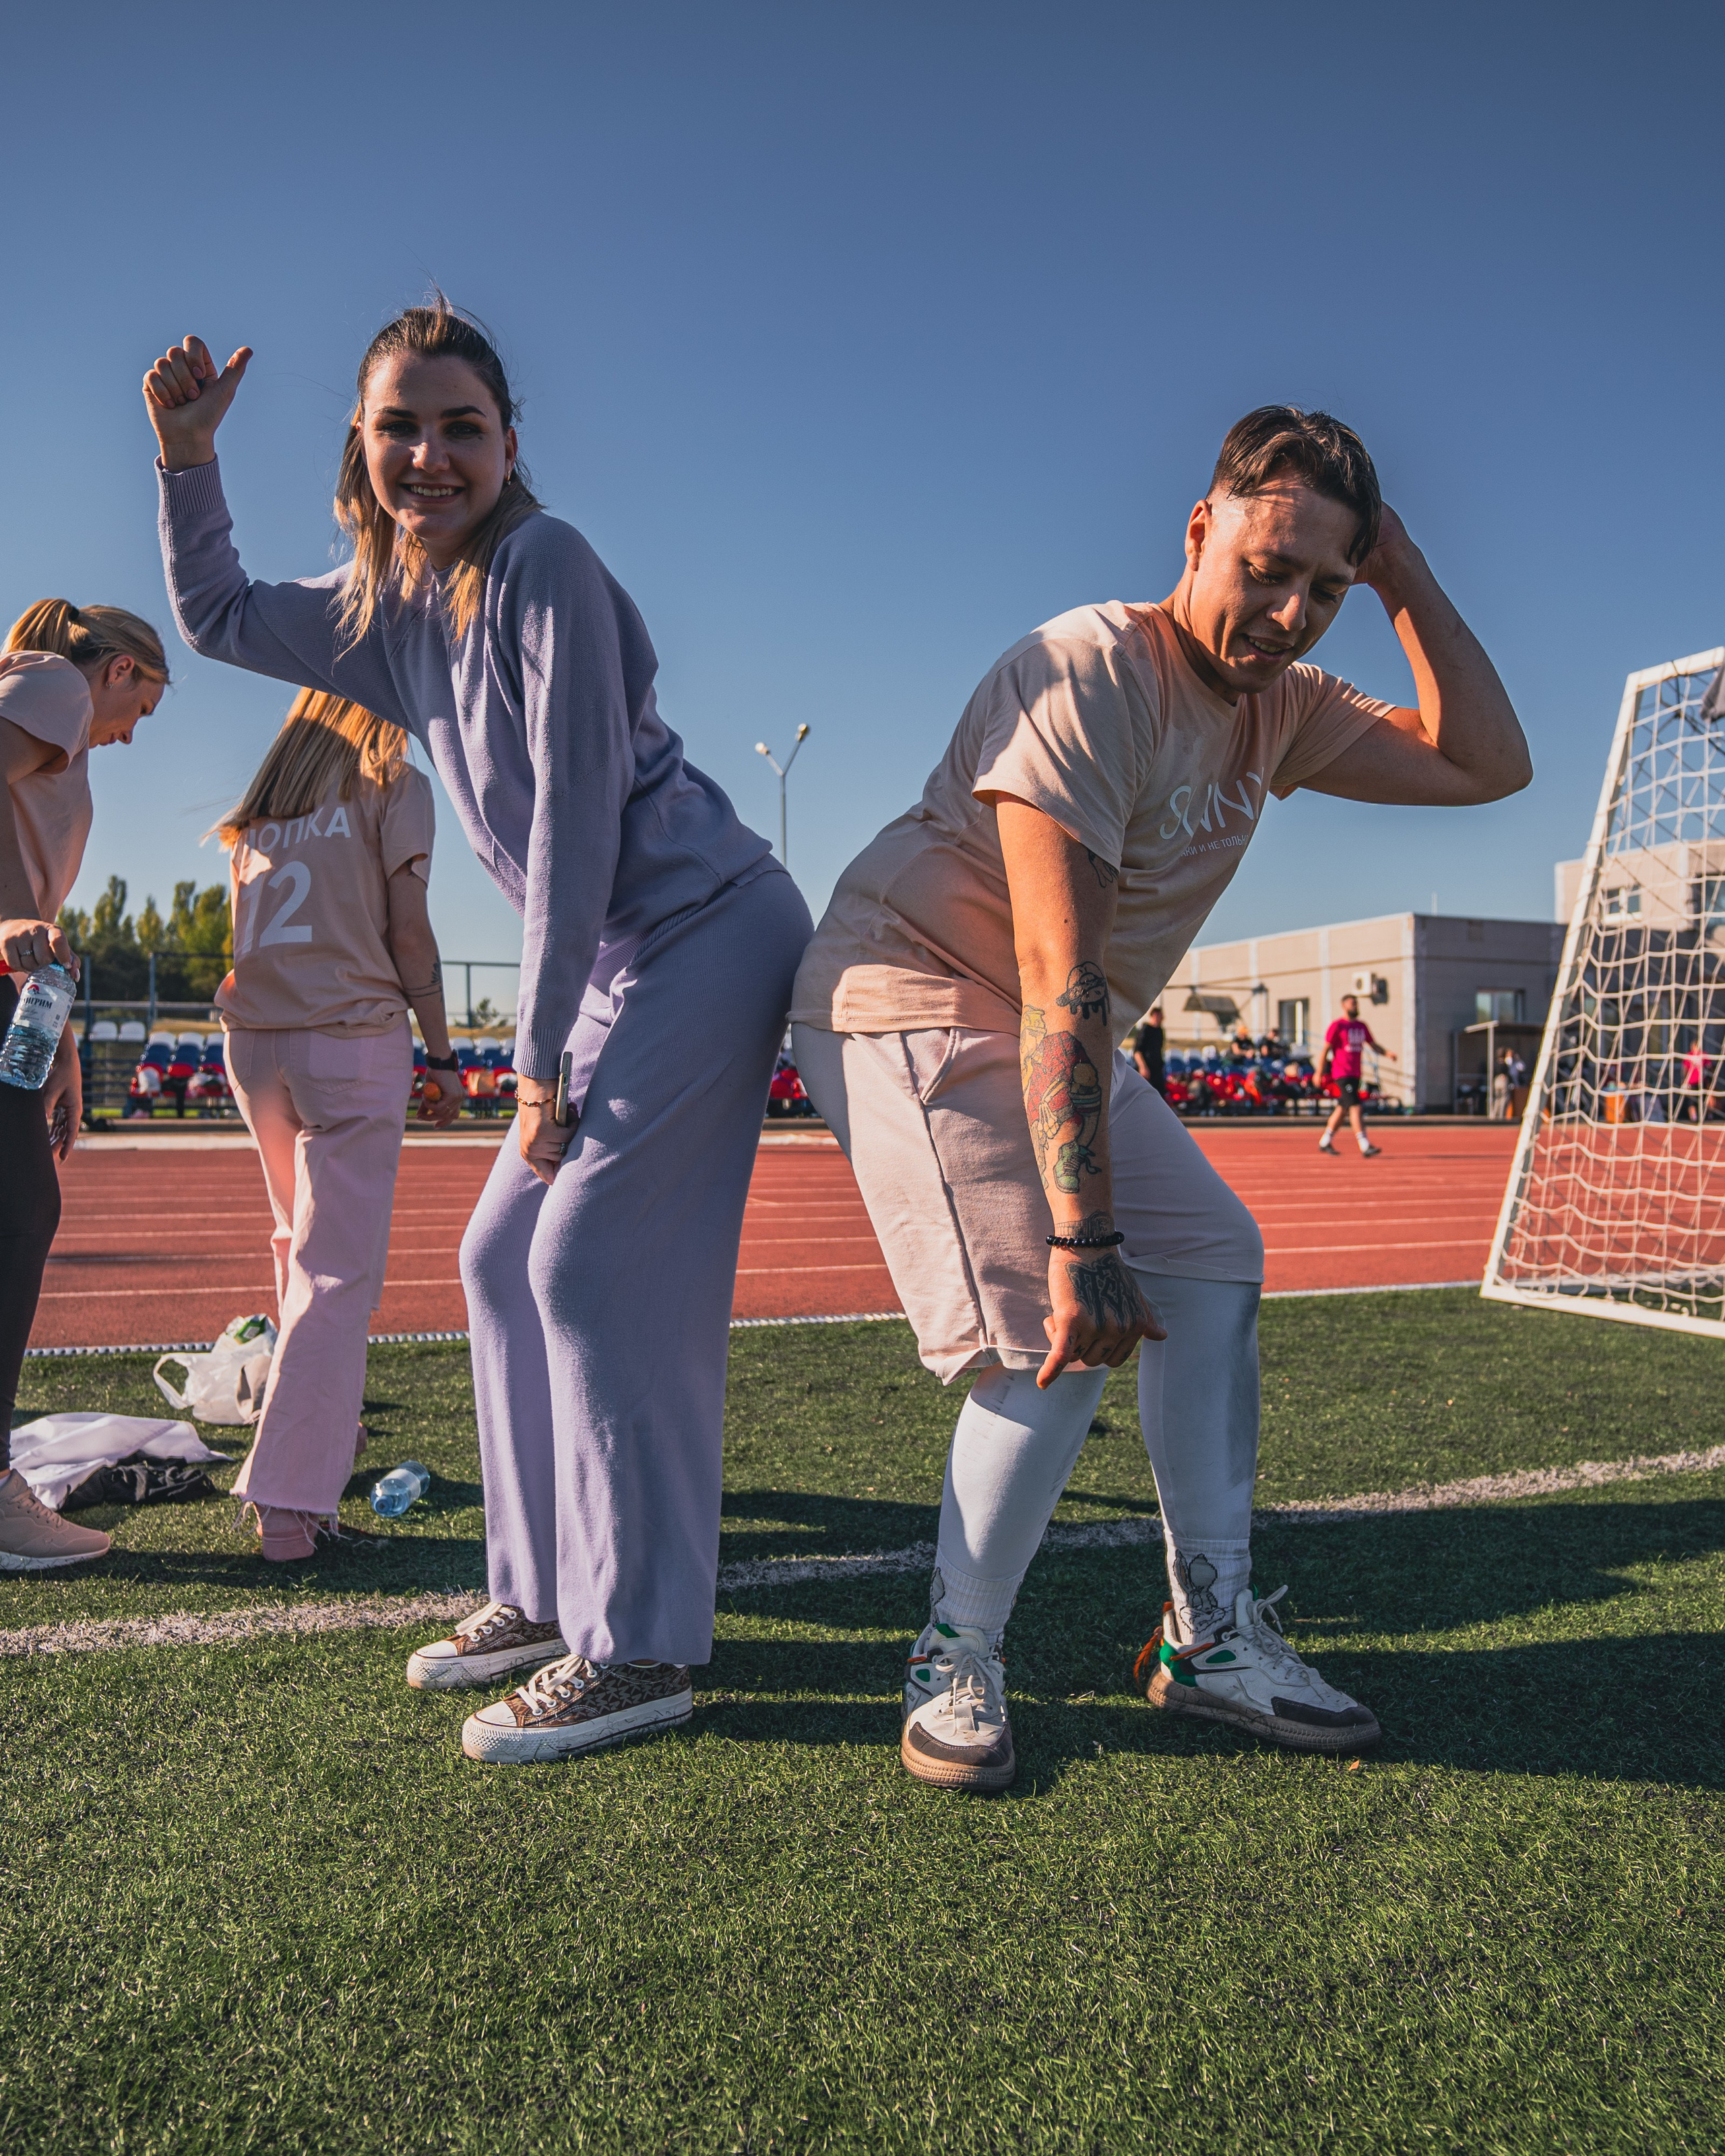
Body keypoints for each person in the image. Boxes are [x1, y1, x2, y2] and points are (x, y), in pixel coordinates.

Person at [790, 404, 1530, 1788]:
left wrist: (1403, 573)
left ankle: (1206, 1633)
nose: (1289, 611)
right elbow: (1059, 982)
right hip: (912, 989)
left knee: (1210, 1262)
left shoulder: (1286, 710)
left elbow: (1488, 765)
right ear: (1199, 531)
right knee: (1057, 1325)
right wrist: (1079, 1239)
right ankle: (957, 1648)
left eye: (1324, 586)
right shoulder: (1083, 673)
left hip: (1042, 1017)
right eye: (1266, 565)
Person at [145, 305, 811, 1757]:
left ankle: (638, 1646)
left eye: (460, 426)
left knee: (583, 1262)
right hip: (615, 965)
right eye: (400, 426)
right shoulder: (388, 609)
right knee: (495, 1256)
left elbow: (575, 831)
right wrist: (187, 462)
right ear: (361, 447)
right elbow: (213, 615)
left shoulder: (545, 564)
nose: (429, 454)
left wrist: (530, 1065)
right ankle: (538, 1586)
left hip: (704, 933)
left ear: (510, 444)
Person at [212, 690, 462, 1560]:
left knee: (298, 1247)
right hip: (350, 1041)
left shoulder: (260, 812)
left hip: (256, 1047)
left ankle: (327, 1424)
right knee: (334, 1274)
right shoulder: (393, 783)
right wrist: (440, 1054)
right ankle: (287, 1504)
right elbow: (411, 935)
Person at [0, 599, 168, 1571]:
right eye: (146, 702)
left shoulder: (48, 701)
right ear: (119, 671)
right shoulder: (56, 684)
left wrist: (53, 1032)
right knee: (19, 1219)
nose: (138, 729)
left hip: (16, 1000)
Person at [1317, 993, 1397, 1155]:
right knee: (1356, 1107)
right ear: (1344, 1005)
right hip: (1342, 1073)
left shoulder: (1361, 1026)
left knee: (1342, 1108)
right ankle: (1364, 1144)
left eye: (1356, 1004)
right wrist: (1319, 1072)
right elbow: (1325, 1049)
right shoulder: (1338, 1026)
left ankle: (1325, 1141)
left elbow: (1373, 1045)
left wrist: (1387, 1053)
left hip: (1355, 1074)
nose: (1355, 1006)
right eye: (1352, 1004)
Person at [1129, 1006, 1165, 1095]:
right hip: (1146, 1067)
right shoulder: (1146, 1029)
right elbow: (1137, 1051)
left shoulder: (1160, 1031)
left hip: (1156, 1069)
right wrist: (1143, 1067)